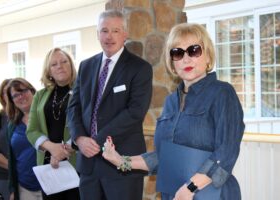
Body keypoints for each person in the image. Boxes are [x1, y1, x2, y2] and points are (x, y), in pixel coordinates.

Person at [102, 23, 245, 200]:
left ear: (208, 57)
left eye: (194, 50)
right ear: (172, 63)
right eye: (178, 53)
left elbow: (225, 153)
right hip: (176, 194)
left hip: (209, 194)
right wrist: (121, 161)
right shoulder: (171, 102)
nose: (186, 59)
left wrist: (190, 188)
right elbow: (164, 157)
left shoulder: (223, 93)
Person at [67, 9, 153, 200]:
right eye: (104, 30)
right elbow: (74, 107)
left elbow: (135, 112)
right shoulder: (86, 66)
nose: (109, 36)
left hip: (122, 164)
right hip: (88, 165)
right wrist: (80, 138)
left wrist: (96, 140)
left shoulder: (140, 68)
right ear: (97, 34)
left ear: (125, 34)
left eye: (115, 30)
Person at [26, 47, 80, 200]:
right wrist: (53, 148)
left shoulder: (83, 91)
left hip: (76, 163)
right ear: (48, 71)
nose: (60, 66)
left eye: (64, 61)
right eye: (54, 64)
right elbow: (31, 131)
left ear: (71, 65)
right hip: (48, 167)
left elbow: (89, 125)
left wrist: (65, 150)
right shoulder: (40, 95)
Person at [6, 78, 42, 200]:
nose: (20, 97)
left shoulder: (47, 116)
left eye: (23, 91)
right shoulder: (12, 125)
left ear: (32, 91)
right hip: (24, 189)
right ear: (12, 101)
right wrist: (13, 190)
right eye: (15, 95)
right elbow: (12, 160)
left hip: (49, 185)